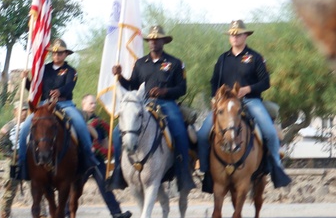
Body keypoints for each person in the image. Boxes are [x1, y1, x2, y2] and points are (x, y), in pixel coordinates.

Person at [196, 19, 292, 192]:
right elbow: (214, 82)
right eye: (232, 35)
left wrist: (248, 89)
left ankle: (277, 169)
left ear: (245, 36)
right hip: (226, 104)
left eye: (238, 34)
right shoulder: (223, 59)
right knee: (203, 134)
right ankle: (206, 171)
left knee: (270, 132)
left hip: (250, 101)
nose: (235, 37)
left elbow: (265, 82)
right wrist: (214, 97)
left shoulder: (255, 57)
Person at [112, 24, 195, 191]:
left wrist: (165, 91)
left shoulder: (175, 63)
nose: (153, 42)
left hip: (167, 103)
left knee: (179, 132)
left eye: (157, 40)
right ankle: (118, 172)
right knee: (116, 133)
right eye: (150, 40)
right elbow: (131, 86)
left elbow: (182, 88)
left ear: (163, 41)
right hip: (144, 103)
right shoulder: (141, 63)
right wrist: (120, 76)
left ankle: (183, 173)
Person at [16, 39, 96, 181]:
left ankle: (89, 158)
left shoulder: (71, 71)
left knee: (79, 124)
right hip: (44, 104)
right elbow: (35, 89)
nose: (56, 55)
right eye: (54, 53)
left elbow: (70, 86)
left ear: (65, 54)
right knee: (24, 128)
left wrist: (60, 91)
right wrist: (26, 80)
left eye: (59, 53)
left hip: (65, 104)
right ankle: (21, 163)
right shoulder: (44, 69)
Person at [81, 94, 132, 218]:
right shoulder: (79, 119)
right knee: (76, 187)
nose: (94, 105)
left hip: (96, 159)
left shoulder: (98, 121)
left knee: (105, 185)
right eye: (90, 103)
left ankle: (116, 214)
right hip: (83, 159)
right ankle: (65, 213)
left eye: (94, 103)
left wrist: (110, 147)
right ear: (83, 105)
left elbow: (102, 140)